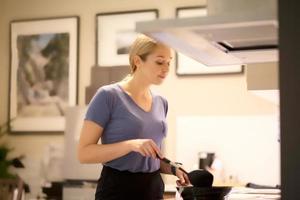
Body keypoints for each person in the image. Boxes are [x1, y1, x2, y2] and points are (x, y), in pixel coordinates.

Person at [77, 34, 190, 200]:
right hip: (118, 189)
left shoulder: (161, 102)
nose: (166, 68)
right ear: (137, 61)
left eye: (169, 62)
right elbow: (84, 153)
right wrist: (131, 145)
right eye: (159, 62)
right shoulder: (108, 96)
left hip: (153, 190)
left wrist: (174, 169)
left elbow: (154, 159)